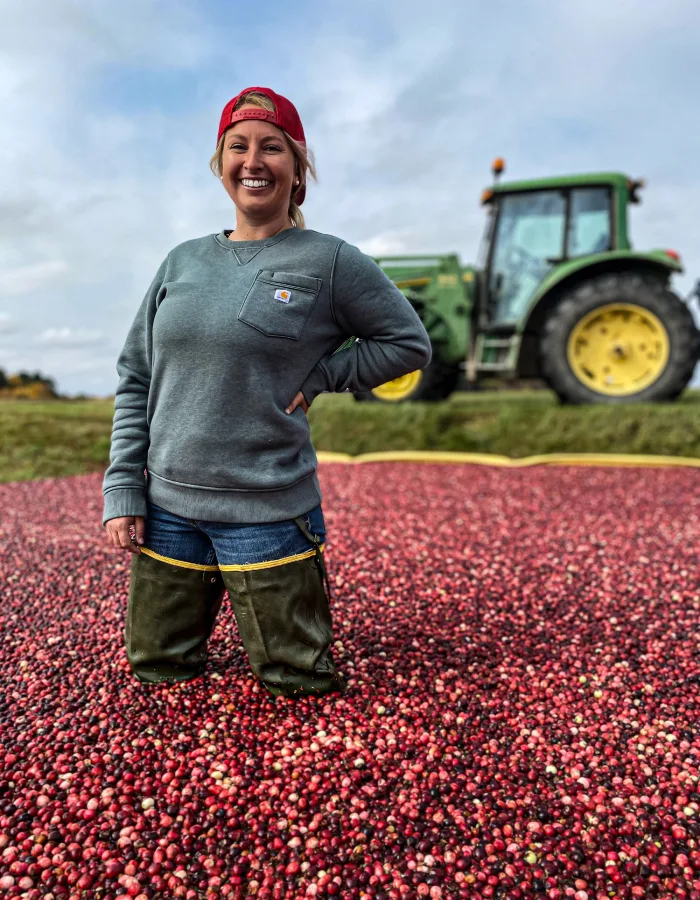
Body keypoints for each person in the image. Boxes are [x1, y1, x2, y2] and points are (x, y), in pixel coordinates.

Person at [102, 86, 432, 699]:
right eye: (238, 146)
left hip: (268, 515)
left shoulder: (331, 261)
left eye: (272, 148)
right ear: (220, 164)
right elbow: (136, 376)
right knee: (157, 670)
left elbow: (407, 344)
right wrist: (124, 486)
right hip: (169, 512)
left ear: (298, 168)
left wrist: (323, 377)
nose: (254, 161)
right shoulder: (181, 261)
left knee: (297, 683)